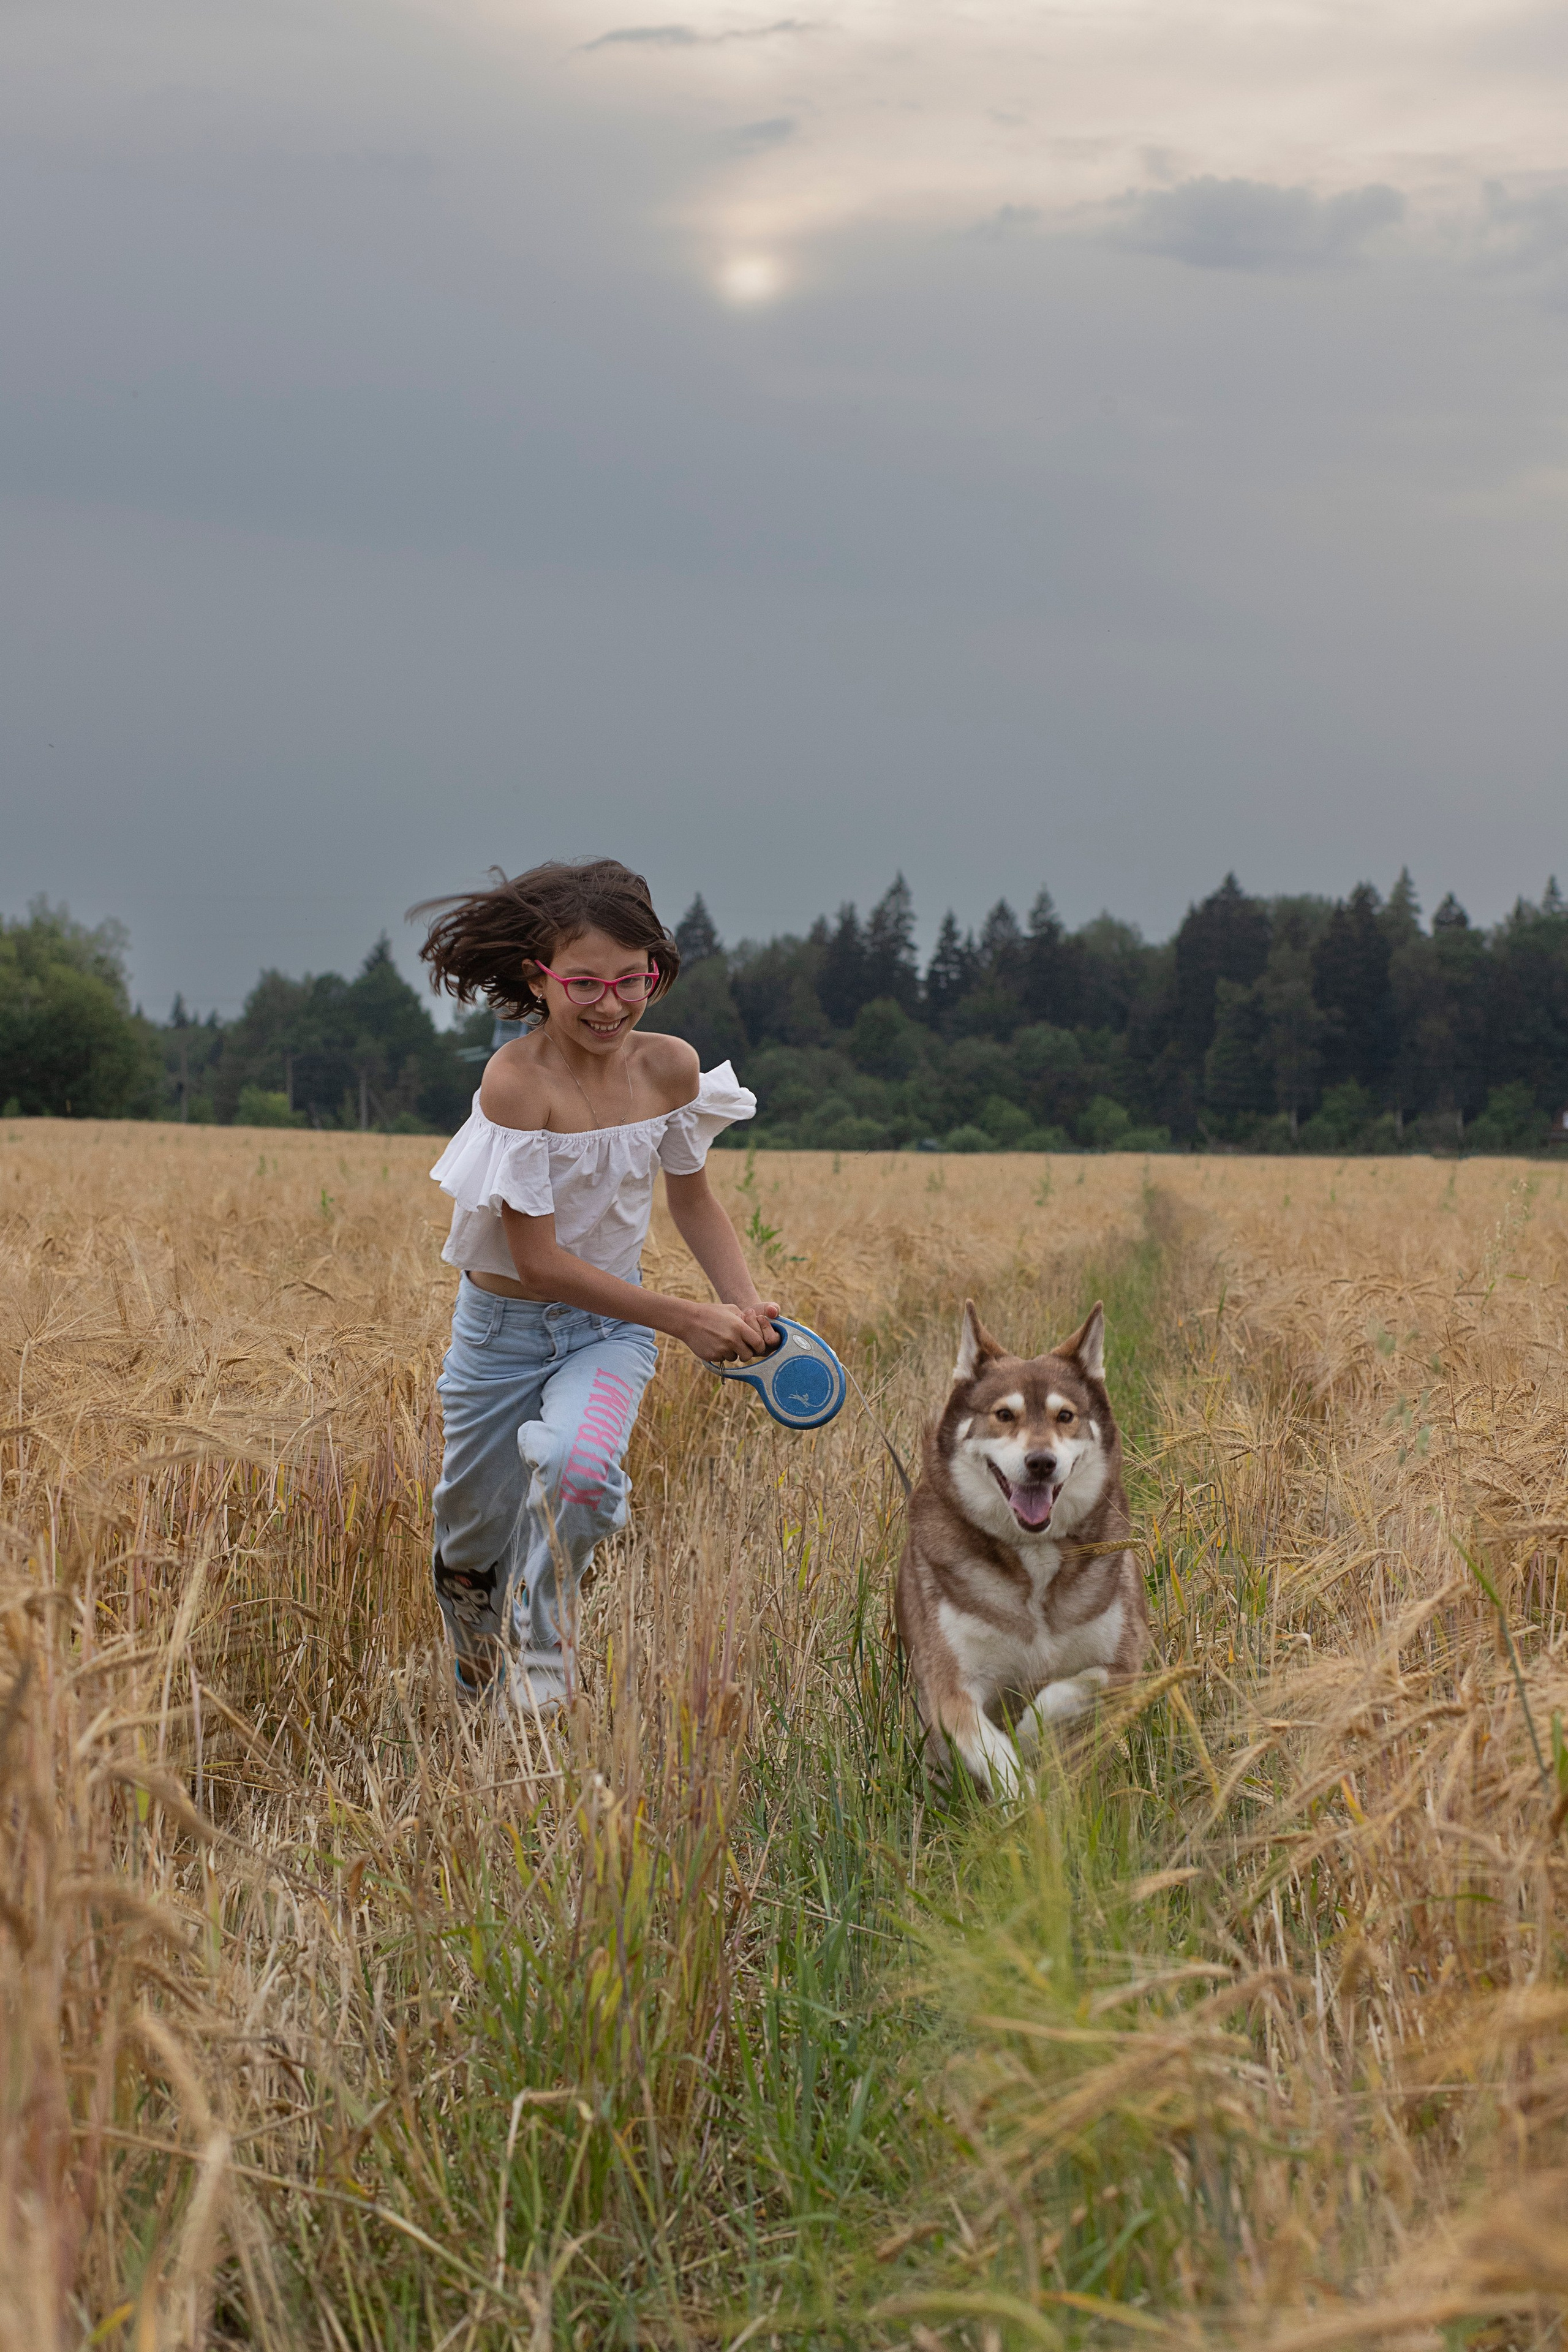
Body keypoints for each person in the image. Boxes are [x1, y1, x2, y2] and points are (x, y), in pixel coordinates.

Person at [414, 858, 778, 1722]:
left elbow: (692, 1200)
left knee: (580, 1469)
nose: (610, 1004)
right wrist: (689, 1317)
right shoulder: (517, 1084)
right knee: (471, 1538)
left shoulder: (671, 1069)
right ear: (539, 980)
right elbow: (536, 1263)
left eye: (631, 980)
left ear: (656, 973)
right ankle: (475, 1646)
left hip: (608, 1334)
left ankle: (542, 1655)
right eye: (584, 983)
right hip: (500, 1333)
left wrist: (742, 1297)